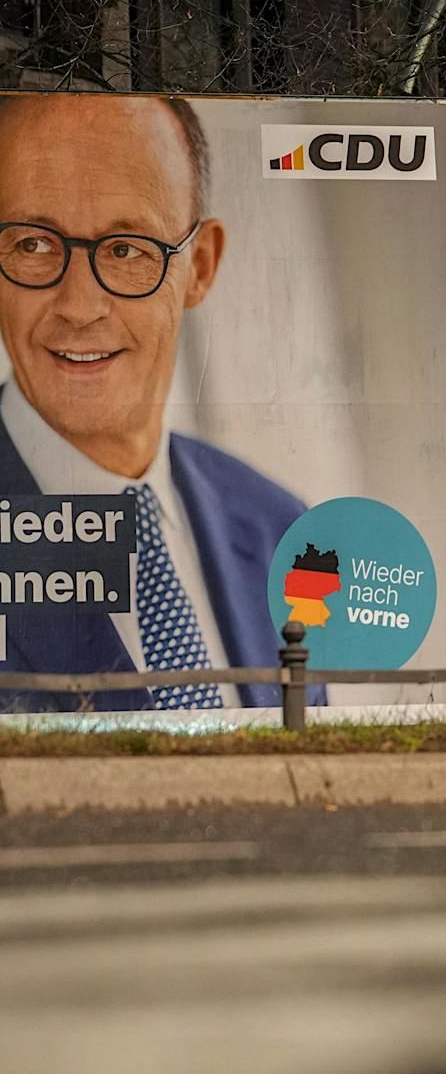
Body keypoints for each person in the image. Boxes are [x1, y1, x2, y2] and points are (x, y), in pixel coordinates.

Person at [0, 94, 305, 710]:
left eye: (126, 249)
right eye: (34, 245)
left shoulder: (282, 530)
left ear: (200, 265)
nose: (80, 307)